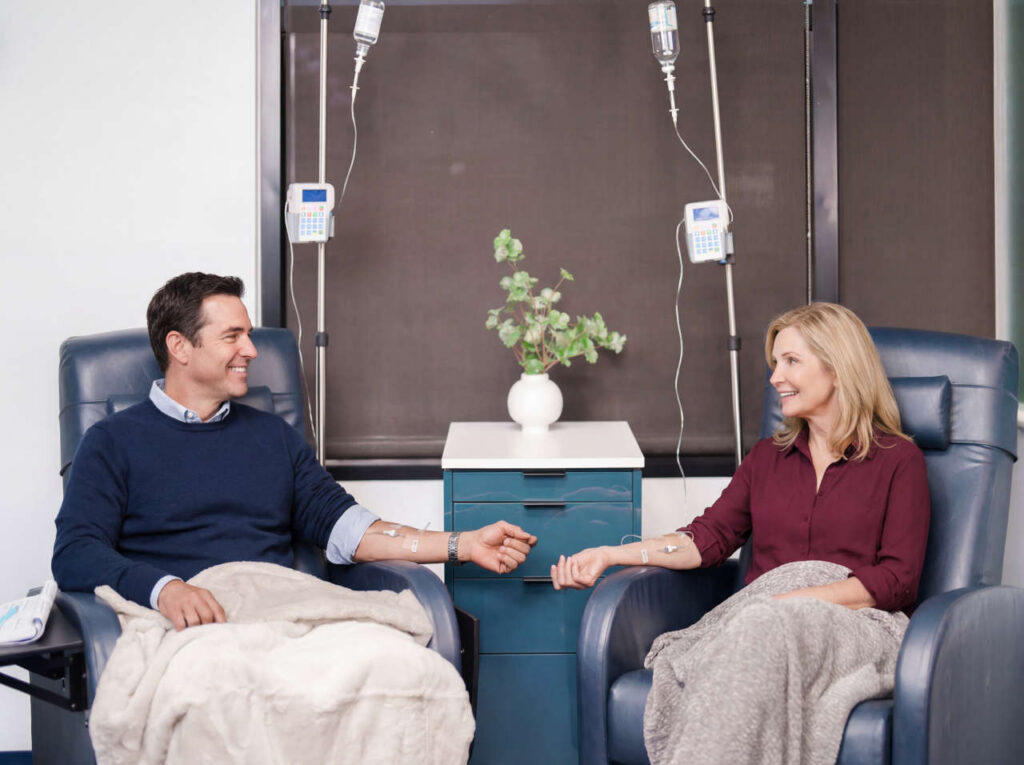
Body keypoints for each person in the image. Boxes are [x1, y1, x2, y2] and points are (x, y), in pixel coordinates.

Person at [551, 302, 931, 764]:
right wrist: (612, 554)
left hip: (858, 624)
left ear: (838, 367)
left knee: (756, 629)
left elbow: (898, 579)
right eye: (775, 364)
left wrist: (785, 607)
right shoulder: (768, 458)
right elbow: (705, 538)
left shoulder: (898, 460)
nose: (775, 378)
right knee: (752, 634)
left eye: (791, 361)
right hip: (763, 620)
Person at [53, 272, 537, 630]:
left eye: (248, 334)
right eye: (232, 336)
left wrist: (462, 544)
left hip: (277, 612)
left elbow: (348, 527)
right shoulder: (113, 442)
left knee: (400, 669)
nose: (252, 350)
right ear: (180, 346)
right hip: (190, 624)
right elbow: (76, 554)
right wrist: (164, 589)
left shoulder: (272, 437)